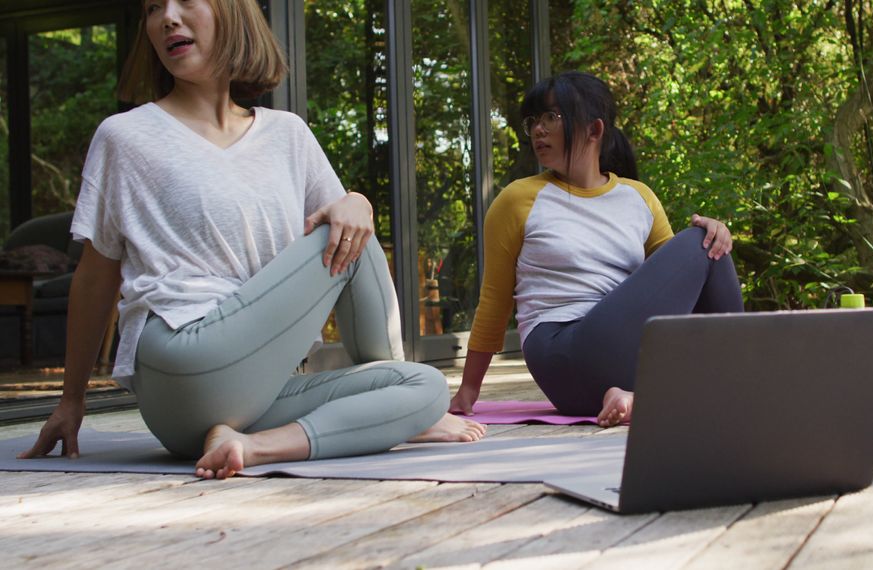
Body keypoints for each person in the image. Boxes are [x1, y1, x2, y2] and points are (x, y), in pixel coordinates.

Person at [18, 0, 484, 479]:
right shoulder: (126, 136)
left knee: (424, 387)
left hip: (226, 404)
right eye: (153, 9)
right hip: (183, 351)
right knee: (347, 228)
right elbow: (97, 275)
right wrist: (71, 401)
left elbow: (348, 223)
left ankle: (254, 445)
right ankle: (389, 409)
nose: (168, 18)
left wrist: (357, 201)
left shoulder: (287, 135)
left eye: (183, 2)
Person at [449, 71, 744, 426]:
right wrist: (469, 389)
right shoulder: (518, 199)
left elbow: (679, 289)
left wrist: (717, 231)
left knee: (711, 241)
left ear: (594, 129)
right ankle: (741, 380)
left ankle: (633, 396)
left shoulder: (639, 198)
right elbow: (495, 299)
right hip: (562, 352)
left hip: (621, 353)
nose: (538, 130)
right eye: (534, 121)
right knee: (701, 240)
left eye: (551, 117)